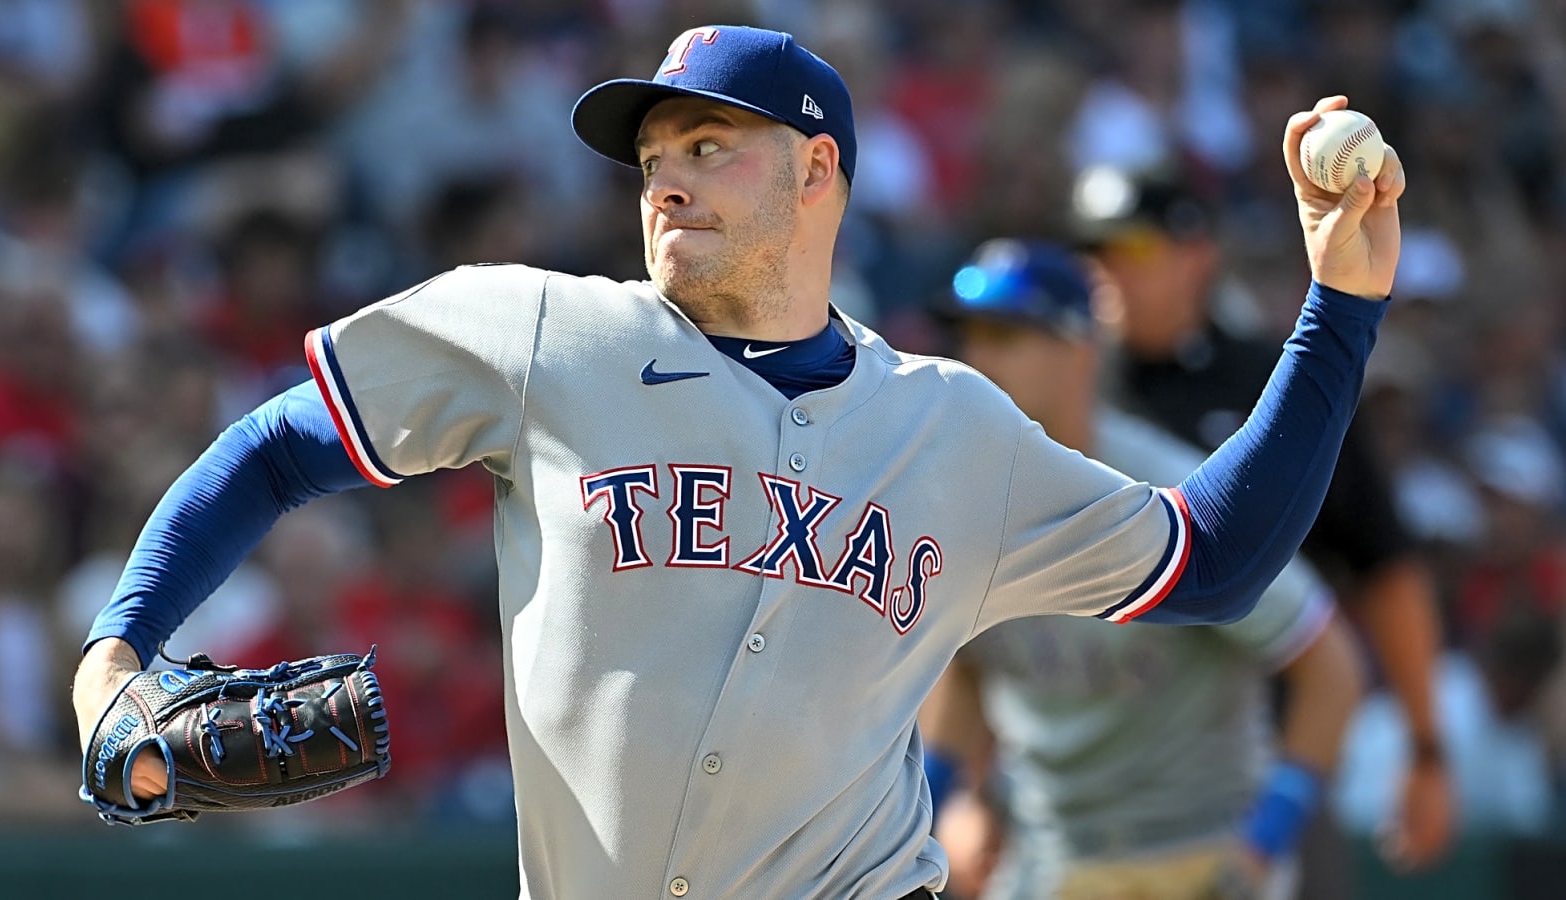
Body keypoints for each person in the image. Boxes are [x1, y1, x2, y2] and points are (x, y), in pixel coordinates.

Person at [72, 24, 1407, 900]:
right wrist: (118, 648)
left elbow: (1220, 560)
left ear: (818, 170)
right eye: (654, 157)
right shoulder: (543, 332)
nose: (668, 181)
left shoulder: (955, 430)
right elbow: (277, 448)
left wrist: (1339, 304)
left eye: (711, 148)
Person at [917, 240, 1367, 900]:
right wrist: (951, 803)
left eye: (1008, 335)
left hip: (1199, 854)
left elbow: (1328, 662)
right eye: (970, 336)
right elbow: (966, 664)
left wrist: (1266, 838)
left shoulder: (1160, 493)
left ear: (1080, 351)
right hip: (1053, 852)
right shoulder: (959, 499)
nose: (979, 358)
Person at [1073, 162, 1455, 885]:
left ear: (1199, 256)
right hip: (1085, 797)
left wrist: (1427, 747)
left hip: (1269, 779)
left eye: (1137, 249)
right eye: (1095, 253)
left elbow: (1383, 564)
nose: (1111, 271)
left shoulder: (1275, 378)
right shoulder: (1066, 390)